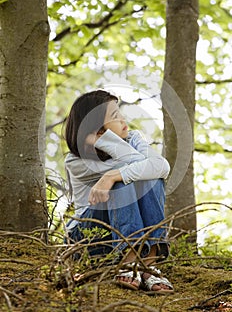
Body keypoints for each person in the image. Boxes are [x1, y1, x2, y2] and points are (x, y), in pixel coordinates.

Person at [64, 89, 174, 294]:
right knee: (123, 181)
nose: (123, 119)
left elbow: (162, 167)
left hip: (121, 233)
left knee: (150, 179)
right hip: (90, 238)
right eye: (114, 116)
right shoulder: (76, 160)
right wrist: (104, 146)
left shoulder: (133, 138)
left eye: (120, 113)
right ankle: (129, 260)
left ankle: (148, 266)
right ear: (97, 129)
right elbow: (136, 162)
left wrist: (110, 176)